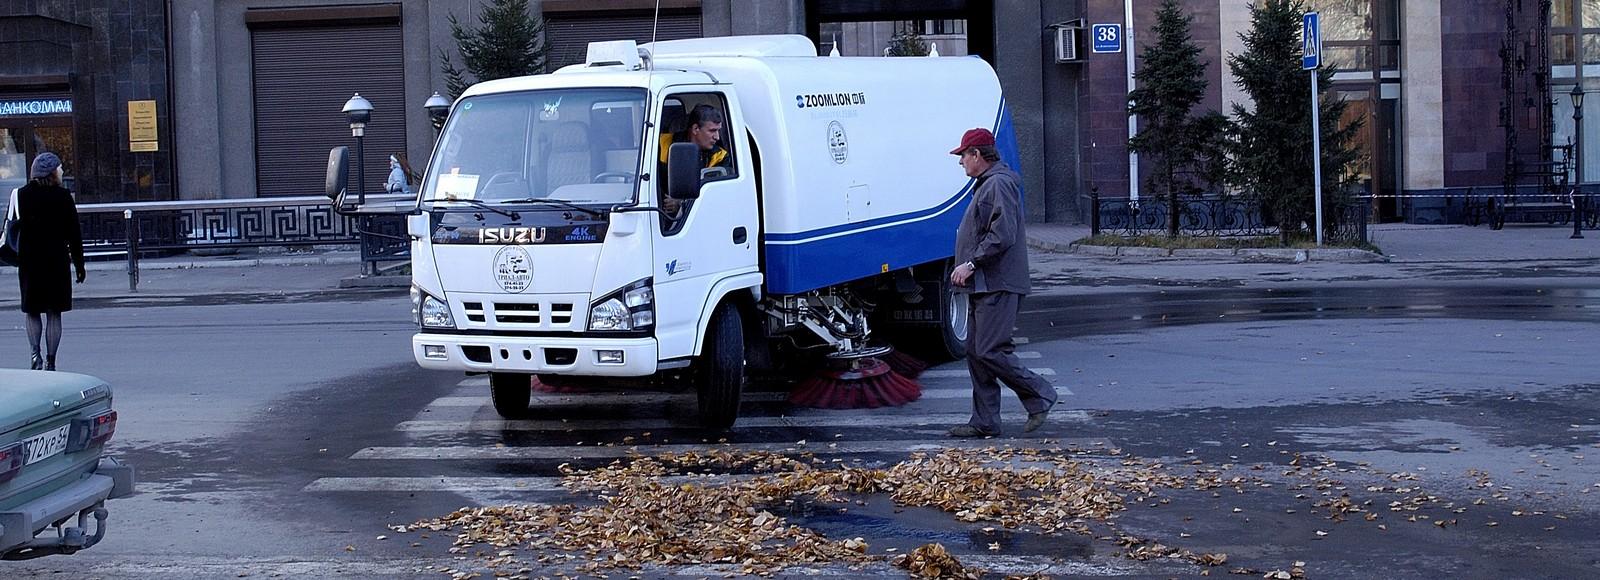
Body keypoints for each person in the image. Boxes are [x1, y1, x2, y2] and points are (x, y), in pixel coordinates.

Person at [944, 128, 1057, 437]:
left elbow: (1002, 235)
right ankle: (985, 421)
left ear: (977, 155)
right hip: (986, 282)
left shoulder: (999, 185)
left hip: (998, 282)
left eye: (963, 156)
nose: (961, 163)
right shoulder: (988, 184)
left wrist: (970, 263)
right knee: (977, 352)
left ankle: (1040, 394)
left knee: (991, 350)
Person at [13, 152, 85, 371]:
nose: (62, 171)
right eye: (59, 168)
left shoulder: (22, 195)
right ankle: (51, 361)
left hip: (29, 262)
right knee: (54, 312)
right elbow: (74, 234)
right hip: (56, 261)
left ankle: (35, 355)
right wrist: (80, 266)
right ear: (52, 172)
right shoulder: (63, 197)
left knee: (32, 310)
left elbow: (12, 227)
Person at [657, 104, 732, 216]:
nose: (717, 137)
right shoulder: (661, 144)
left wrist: (682, 203)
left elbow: (714, 198)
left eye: (718, 131)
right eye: (712, 131)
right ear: (695, 129)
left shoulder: (720, 156)